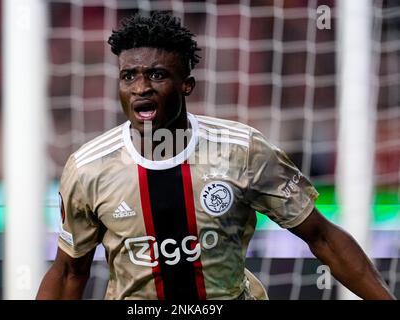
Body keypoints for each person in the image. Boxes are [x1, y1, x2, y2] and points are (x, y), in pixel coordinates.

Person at [36, 11, 394, 300]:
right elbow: (70, 271)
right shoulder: (89, 168)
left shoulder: (243, 151)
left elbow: (322, 236)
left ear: (186, 85)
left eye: (157, 75)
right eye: (129, 76)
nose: (140, 87)